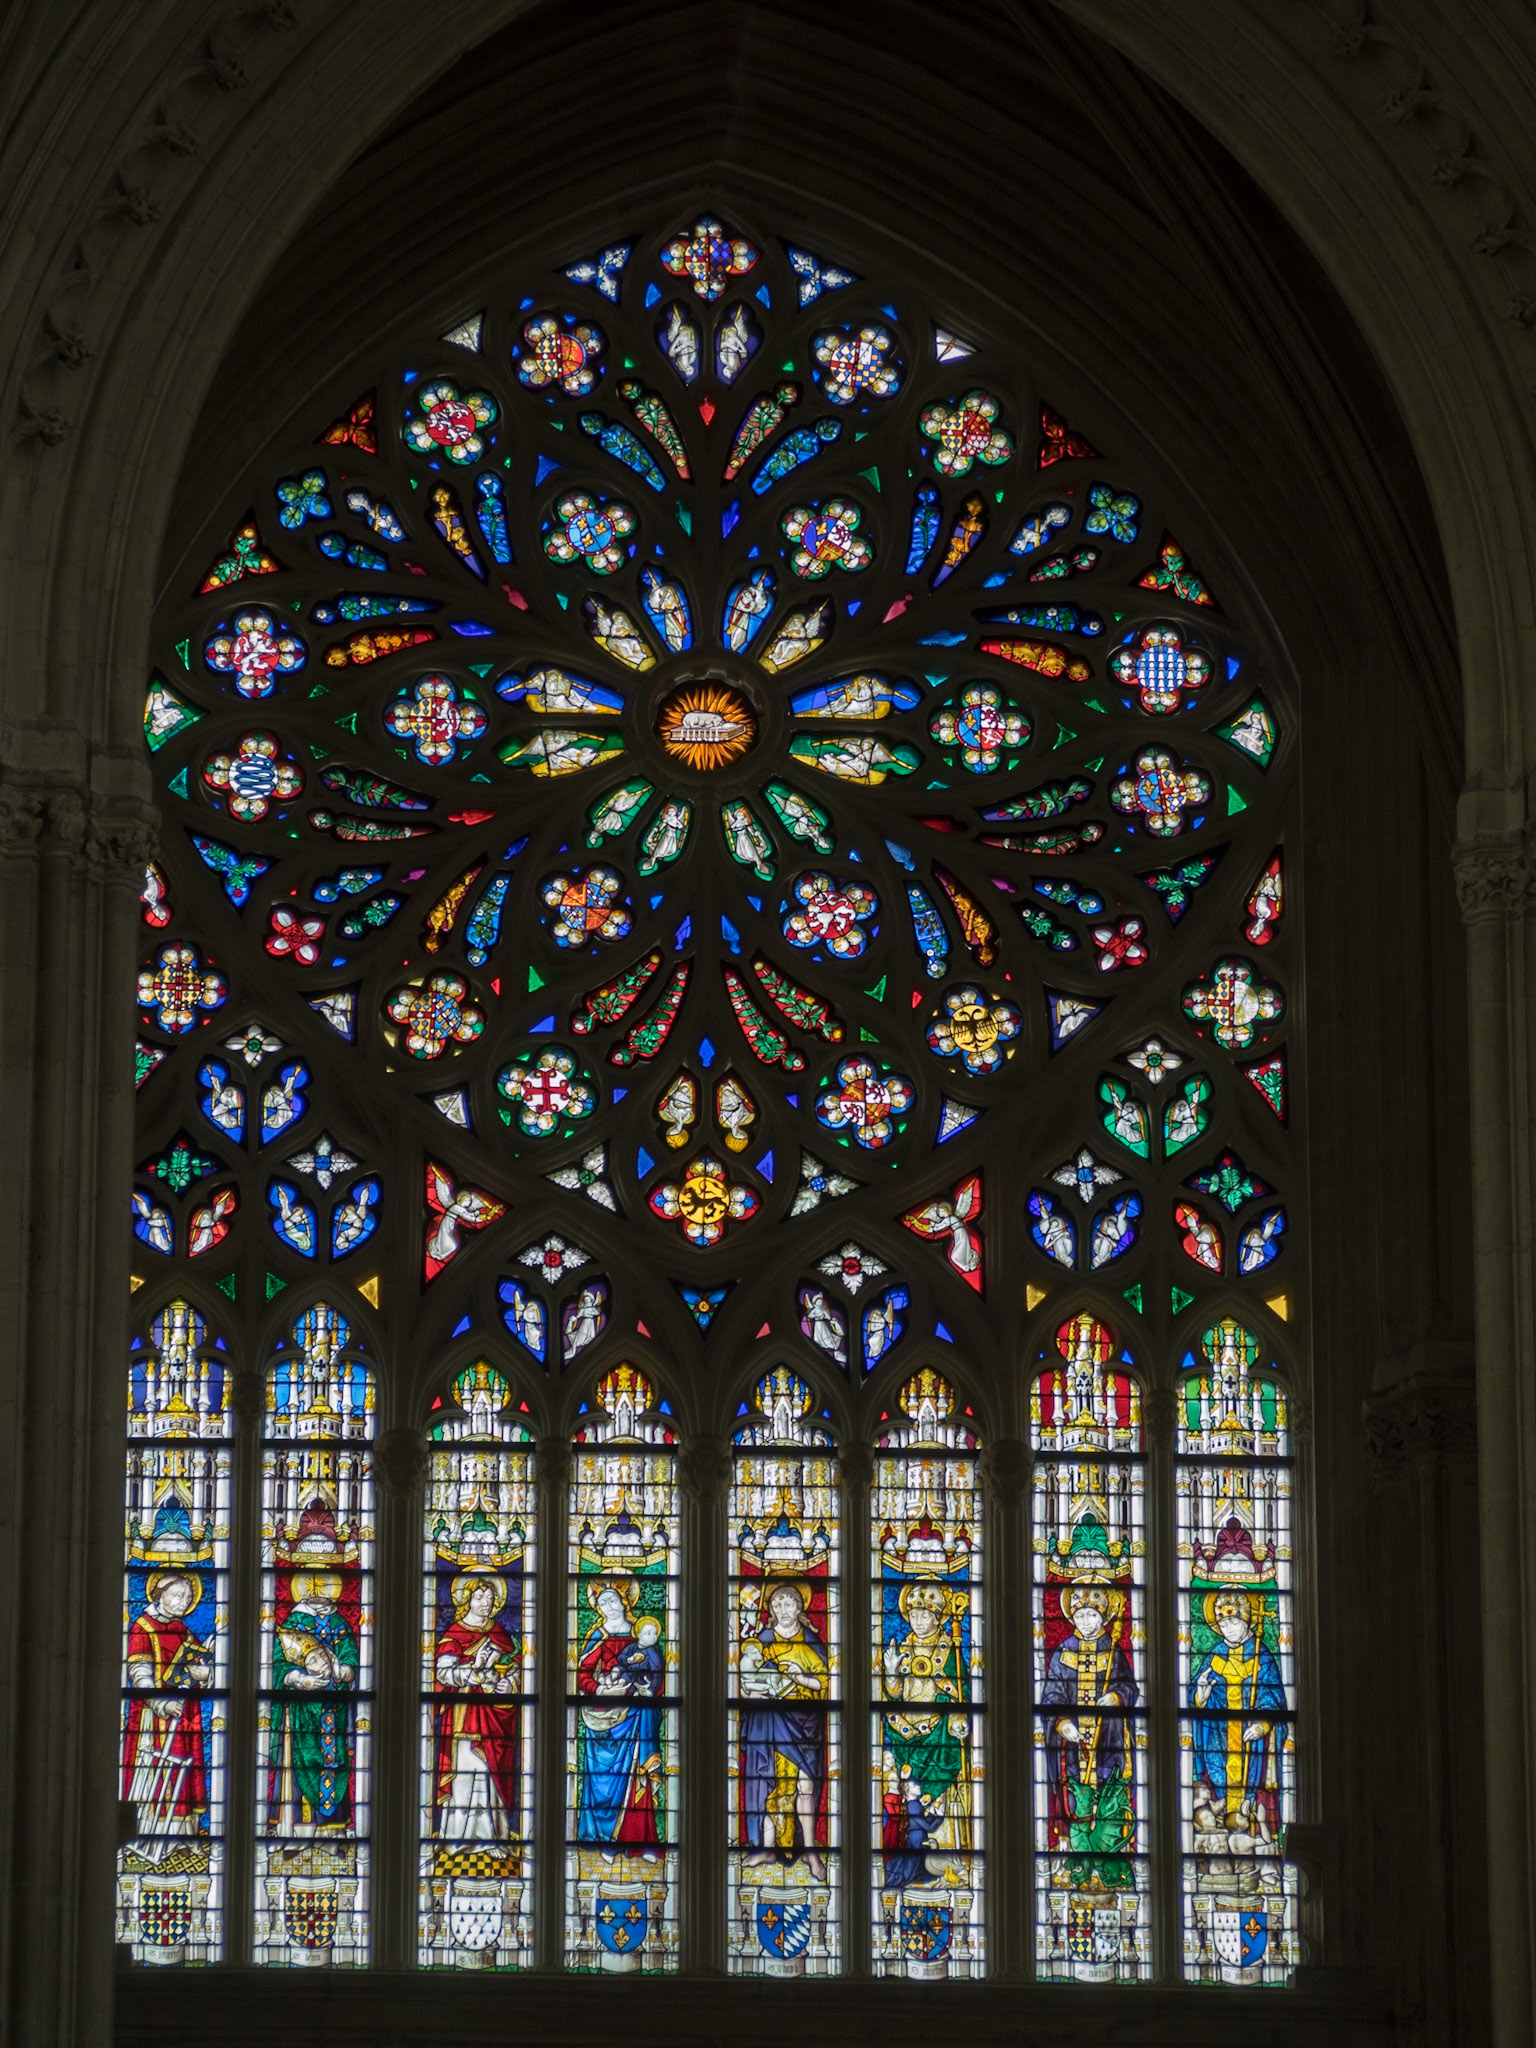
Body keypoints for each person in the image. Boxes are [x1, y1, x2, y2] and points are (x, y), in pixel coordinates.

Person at [738, 1579, 830, 1878]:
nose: (782, 1608)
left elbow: (826, 1684)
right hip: (770, 1722)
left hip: (805, 1724)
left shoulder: (812, 1643)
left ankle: (811, 1853)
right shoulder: (761, 1640)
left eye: (788, 1602)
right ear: (771, 1609)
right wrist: (752, 1695)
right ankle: (766, 1848)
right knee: (768, 1784)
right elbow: (741, 1683)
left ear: (800, 1606)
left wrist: (800, 1678)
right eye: (776, 1603)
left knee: (805, 1787)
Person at [880, 1579, 970, 1884]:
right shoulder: (904, 1645)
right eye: (914, 1615)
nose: (918, 1621)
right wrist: (891, 1674)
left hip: (939, 1733)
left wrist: (952, 1699)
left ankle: (942, 1855)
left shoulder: (949, 1648)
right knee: (907, 1793)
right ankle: (910, 1856)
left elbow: (962, 1690)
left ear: (937, 1617)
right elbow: (893, 1694)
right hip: (904, 1733)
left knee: (935, 1790)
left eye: (925, 1615)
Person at [1039, 1582, 1139, 1852]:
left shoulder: (1113, 1649)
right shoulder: (1064, 1650)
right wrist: (1062, 1723)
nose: (1086, 1621)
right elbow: (1051, 1694)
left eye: (1092, 1615)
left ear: (1104, 1616)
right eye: (1080, 1615)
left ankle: (1111, 1849)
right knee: (1074, 1790)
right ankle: (1073, 1847)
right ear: (1071, 1617)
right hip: (1072, 1743)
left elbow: (1129, 1687)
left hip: (1107, 1737)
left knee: (1108, 1788)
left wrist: (1116, 1698)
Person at [1189, 1586, 1286, 1852]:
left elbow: (1274, 1696)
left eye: (1234, 1621)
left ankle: (1258, 1839)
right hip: (1217, 1737)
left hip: (1251, 1744)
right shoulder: (1215, 1654)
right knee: (1217, 1786)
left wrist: (1262, 1724)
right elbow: (1193, 1694)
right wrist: (1201, 1695)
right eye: (1223, 1623)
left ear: (1247, 1620)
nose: (1229, 1628)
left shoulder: (1261, 1656)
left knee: (1251, 1791)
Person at [123, 1571, 213, 1852]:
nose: (184, 1602)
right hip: (153, 1719)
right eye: (178, 1596)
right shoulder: (142, 1627)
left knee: (183, 1775)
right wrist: (161, 1703)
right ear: (159, 1595)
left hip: (184, 1716)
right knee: (154, 1774)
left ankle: (183, 1837)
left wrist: (204, 1674)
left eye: (188, 1597)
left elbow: (199, 1666)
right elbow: (139, 1674)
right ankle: (151, 1837)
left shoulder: (185, 1631)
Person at [575, 1576, 663, 1854]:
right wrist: (599, 1689)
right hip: (601, 1717)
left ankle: (640, 1840)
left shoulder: (643, 1637)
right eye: (602, 1603)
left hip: (635, 1716)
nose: (608, 1607)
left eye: (613, 1600)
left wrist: (645, 1690)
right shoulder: (597, 1636)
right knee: (600, 1778)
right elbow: (582, 1675)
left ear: (625, 1601)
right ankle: (602, 1839)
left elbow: (658, 1675)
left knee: (638, 1770)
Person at [267, 1570, 358, 1834]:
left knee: (336, 1762)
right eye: (313, 1585)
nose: (319, 1591)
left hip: (336, 1710)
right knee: (298, 1763)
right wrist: (299, 1679)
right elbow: (276, 1664)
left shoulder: (340, 1623)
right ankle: (296, 1830)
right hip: (300, 1711)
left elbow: (351, 1656)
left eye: (325, 1586)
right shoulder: (294, 1622)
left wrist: (344, 1671)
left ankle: (332, 1830)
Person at [433, 1574, 522, 1842]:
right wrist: (476, 1669)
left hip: (497, 1717)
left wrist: (511, 1684)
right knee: (466, 1774)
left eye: (490, 1598)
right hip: (464, 1718)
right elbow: (443, 1674)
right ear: (466, 1600)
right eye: (479, 1597)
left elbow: (517, 1668)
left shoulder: (500, 1634)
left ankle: (492, 1837)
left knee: (490, 1776)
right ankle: (457, 1838)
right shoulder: (455, 1634)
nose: (486, 1602)